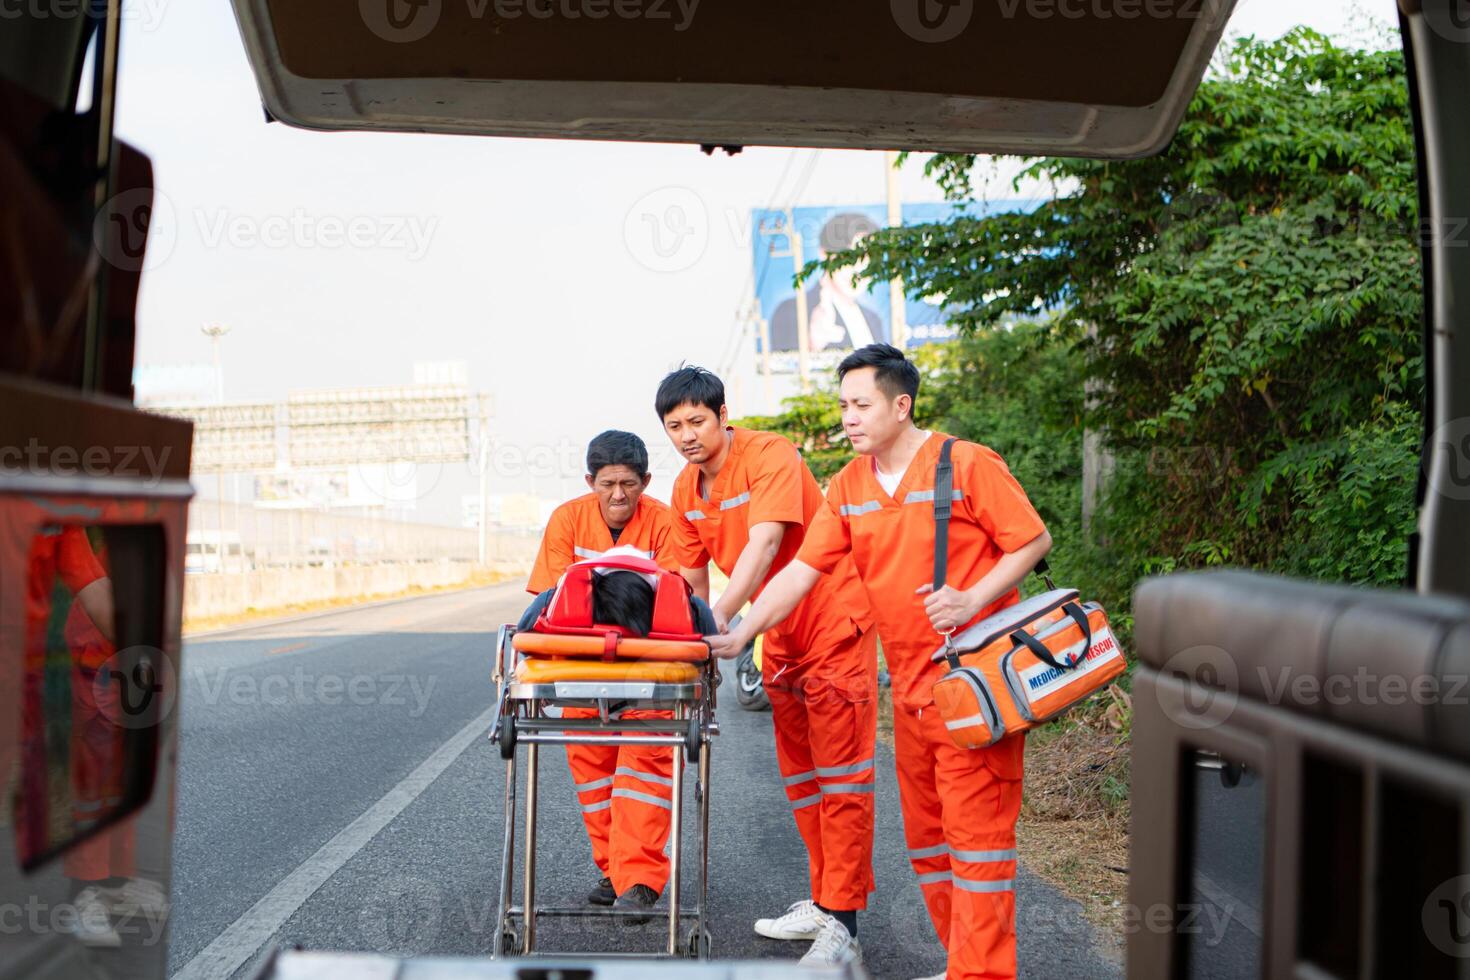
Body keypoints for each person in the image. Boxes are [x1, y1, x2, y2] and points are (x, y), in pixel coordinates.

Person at [707, 344, 1053, 980]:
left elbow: (1033, 538)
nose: (849, 418)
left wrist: (972, 596)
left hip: (975, 686)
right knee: (929, 844)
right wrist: (741, 628)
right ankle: (962, 965)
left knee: (977, 846)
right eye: (843, 406)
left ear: (902, 404)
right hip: (914, 695)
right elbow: (803, 572)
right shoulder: (848, 486)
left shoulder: (965, 464)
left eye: (861, 404)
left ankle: (982, 975)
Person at [657, 365, 878, 967]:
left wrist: (720, 620)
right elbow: (691, 576)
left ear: (723, 416)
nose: (687, 435)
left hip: (831, 622)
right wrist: (691, 628)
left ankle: (846, 924)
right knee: (804, 783)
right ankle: (824, 899)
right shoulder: (683, 490)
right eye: (675, 426)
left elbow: (767, 543)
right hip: (776, 634)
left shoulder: (769, 454)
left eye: (697, 421)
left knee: (842, 781)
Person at [521, 430, 680, 918]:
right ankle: (614, 869)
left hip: (650, 669)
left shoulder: (664, 523)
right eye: (607, 484)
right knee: (595, 777)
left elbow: (676, 599)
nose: (618, 495)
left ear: (646, 481)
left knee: (643, 771)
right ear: (590, 481)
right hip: (581, 669)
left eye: (629, 484)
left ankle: (641, 881)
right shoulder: (567, 520)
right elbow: (546, 602)